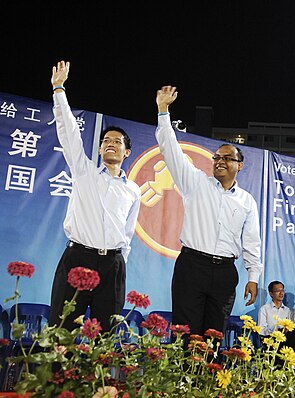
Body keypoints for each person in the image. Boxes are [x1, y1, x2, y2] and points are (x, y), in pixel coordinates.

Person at [155, 86, 263, 338]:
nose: (220, 161)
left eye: (227, 158)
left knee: (215, 334)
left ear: (240, 165)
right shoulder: (195, 183)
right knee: (185, 332)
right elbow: (171, 150)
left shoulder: (247, 201)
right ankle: (183, 378)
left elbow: (252, 241)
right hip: (192, 266)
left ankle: (210, 378)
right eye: (216, 158)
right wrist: (163, 111)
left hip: (225, 273)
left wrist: (253, 276)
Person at [48, 61, 141, 332]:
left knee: (105, 336)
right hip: (77, 258)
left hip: (112, 265)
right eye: (105, 141)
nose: (110, 144)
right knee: (62, 330)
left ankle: (98, 377)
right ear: (100, 150)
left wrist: (119, 260)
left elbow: (128, 231)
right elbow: (68, 133)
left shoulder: (132, 190)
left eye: (117, 142)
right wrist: (58, 89)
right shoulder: (84, 172)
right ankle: (58, 376)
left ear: (126, 153)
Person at [258, 281, 295, 353]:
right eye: (278, 291)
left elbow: (292, 327)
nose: (281, 293)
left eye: (282, 291)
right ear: (271, 293)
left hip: (285, 339)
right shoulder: (264, 309)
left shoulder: (288, 311)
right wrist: (276, 331)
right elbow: (261, 330)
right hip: (270, 339)